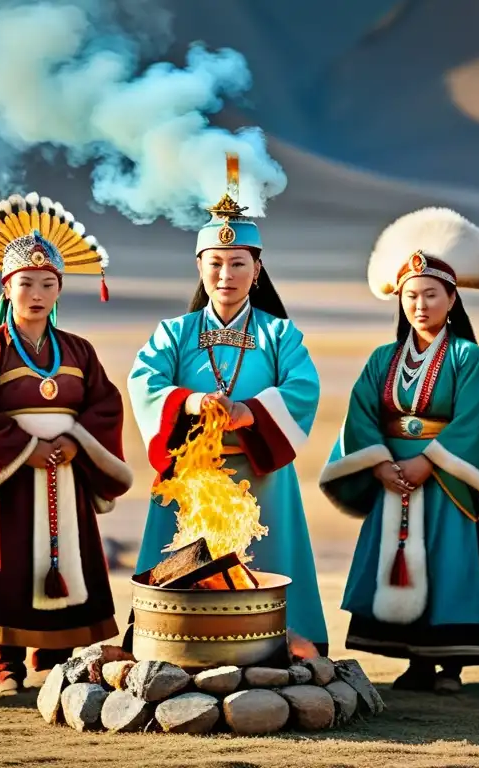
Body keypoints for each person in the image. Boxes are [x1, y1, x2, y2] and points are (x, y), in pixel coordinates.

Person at [127, 154, 328, 652]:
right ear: (199, 266)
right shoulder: (174, 333)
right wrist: (192, 402)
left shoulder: (279, 334)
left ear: (257, 269)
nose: (226, 274)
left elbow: (303, 388)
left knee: (265, 566)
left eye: (238, 263)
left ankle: (279, 646)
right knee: (185, 567)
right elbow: (144, 381)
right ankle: (173, 644)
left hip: (262, 477)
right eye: (215, 264)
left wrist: (250, 412)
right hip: (193, 477)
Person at [319, 208, 479, 694]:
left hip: (445, 478)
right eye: (411, 296)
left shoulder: (468, 356)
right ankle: (414, 662)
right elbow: (361, 412)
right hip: (392, 478)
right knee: (394, 557)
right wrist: (380, 463)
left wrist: (427, 461)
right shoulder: (383, 357)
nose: (419, 305)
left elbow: (475, 419)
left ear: (452, 298)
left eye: (430, 295)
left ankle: (450, 666)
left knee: (447, 560)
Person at [0, 192, 132, 692]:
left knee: (67, 560)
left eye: (47, 283)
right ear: (6, 288)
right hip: (9, 478)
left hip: (67, 470)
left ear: (59, 290)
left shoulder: (78, 349)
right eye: (26, 282)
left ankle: (55, 658)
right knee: (6, 565)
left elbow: (104, 405)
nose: (36, 292)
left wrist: (78, 442)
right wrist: (22, 449)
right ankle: (5, 665)